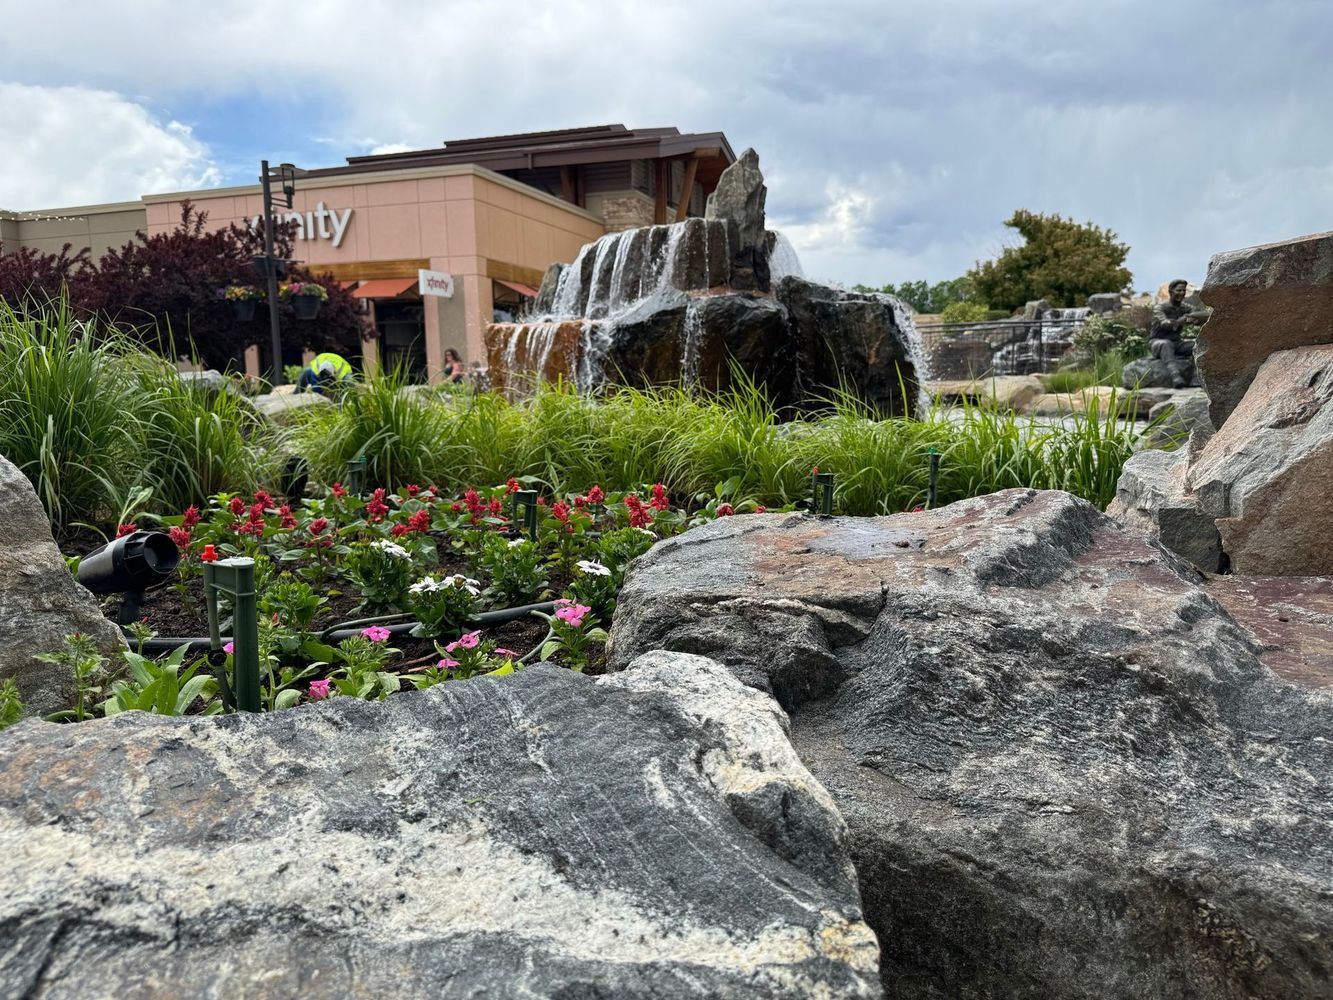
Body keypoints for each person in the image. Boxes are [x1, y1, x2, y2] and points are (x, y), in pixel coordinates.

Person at [1149, 279, 1210, 389]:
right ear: (1171, 291)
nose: (1182, 293)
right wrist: (1180, 321)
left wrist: (1189, 317)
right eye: (1179, 290)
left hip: (1177, 343)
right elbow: (1165, 324)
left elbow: (1205, 314)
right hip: (1158, 343)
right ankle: (1175, 376)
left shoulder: (1184, 307)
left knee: (1197, 345)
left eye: (1183, 290)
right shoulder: (1160, 308)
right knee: (1166, 344)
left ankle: (1196, 378)